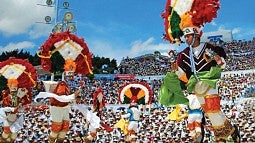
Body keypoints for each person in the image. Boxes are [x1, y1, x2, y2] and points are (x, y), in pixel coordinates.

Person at [175, 26, 240, 142]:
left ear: (196, 36)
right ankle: (231, 130)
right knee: (210, 113)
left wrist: (216, 58)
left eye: (188, 36)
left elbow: (222, 65)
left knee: (213, 108)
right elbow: (182, 75)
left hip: (209, 81)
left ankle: (220, 137)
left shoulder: (209, 47)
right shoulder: (183, 54)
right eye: (184, 36)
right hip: (196, 86)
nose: (186, 39)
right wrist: (176, 70)